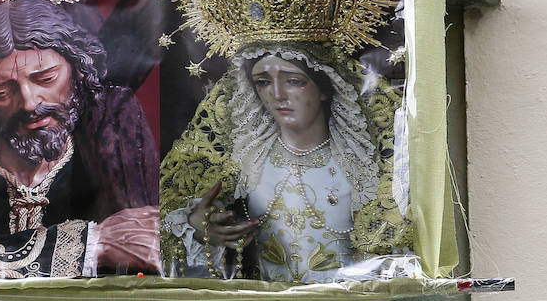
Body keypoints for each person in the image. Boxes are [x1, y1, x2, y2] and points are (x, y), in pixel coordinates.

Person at [0, 0, 160, 280]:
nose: (29, 103)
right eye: (1, 92)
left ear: (78, 68)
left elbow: (148, 240)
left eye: (46, 79)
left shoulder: (109, 136)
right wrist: (90, 245)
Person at [157, 42, 419, 283]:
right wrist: (195, 224)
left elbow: (397, 242)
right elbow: (173, 208)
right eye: (262, 82)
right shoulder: (246, 162)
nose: (278, 94)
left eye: (294, 81)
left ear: (325, 88)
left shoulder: (363, 165)